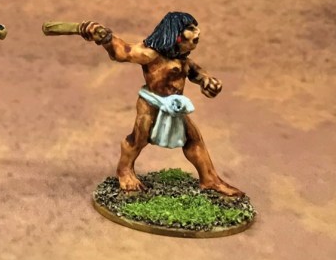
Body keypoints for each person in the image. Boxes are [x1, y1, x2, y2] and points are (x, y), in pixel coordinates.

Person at [81, 11, 243, 196]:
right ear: (175, 35)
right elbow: (123, 51)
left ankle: (210, 179)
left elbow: (194, 72)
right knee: (138, 139)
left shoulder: (182, 58)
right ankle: (124, 171)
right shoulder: (150, 54)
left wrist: (207, 81)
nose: (196, 33)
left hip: (174, 107)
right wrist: (105, 38)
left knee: (194, 139)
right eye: (190, 29)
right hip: (151, 104)